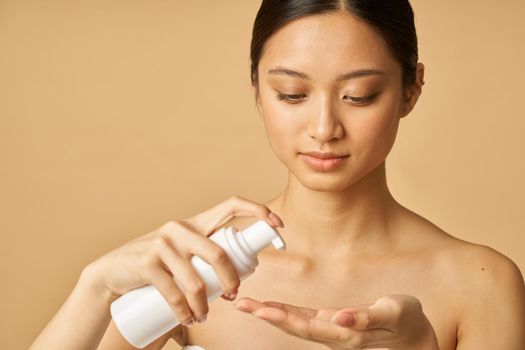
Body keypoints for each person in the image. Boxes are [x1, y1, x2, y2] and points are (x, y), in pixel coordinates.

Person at [29, 0, 525, 349]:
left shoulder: (478, 284)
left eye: (359, 96)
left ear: (411, 90)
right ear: (256, 89)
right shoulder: (200, 274)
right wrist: (93, 288)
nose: (325, 129)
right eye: (292, 94)